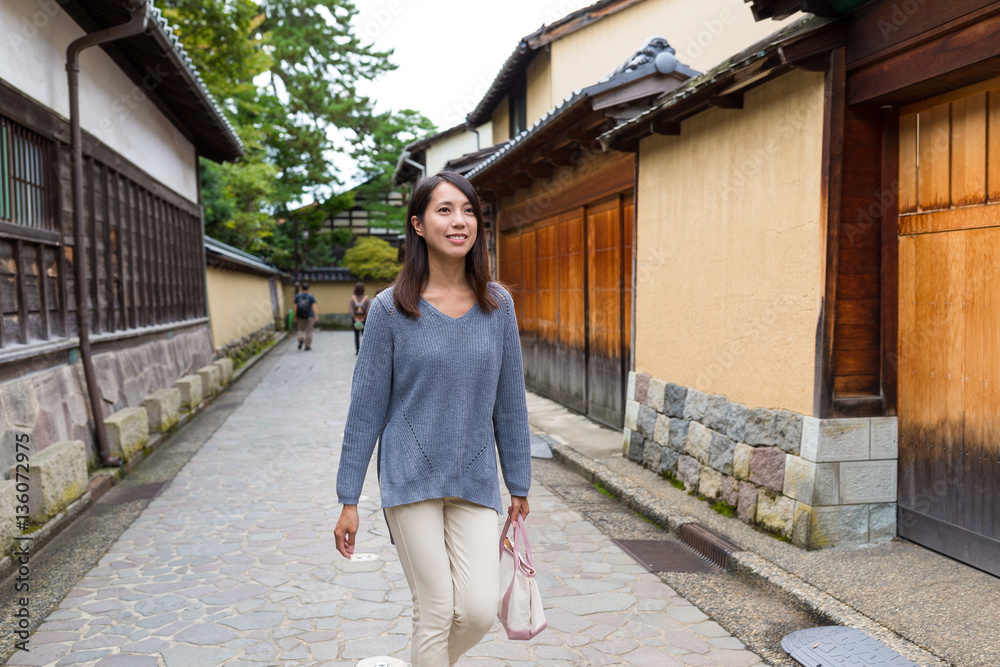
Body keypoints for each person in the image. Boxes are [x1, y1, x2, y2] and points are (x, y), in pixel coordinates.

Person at [334, 172, 531, 667]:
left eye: (468, 211)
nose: (459, 221)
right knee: (438, 608)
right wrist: (349, 498)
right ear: (419, 225)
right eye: (444, 210)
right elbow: (365, 409)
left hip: (476, 478)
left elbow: (510, 402)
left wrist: (519, 483)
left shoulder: (498, 305)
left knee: (480, 611)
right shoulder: (389, 309)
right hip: (409, 476)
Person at [293, 283, 318, 350]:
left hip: (300, 316)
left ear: (302, 288)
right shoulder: (311, 296)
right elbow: (314, 307)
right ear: (308, 288)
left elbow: (295, 307)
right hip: (309, 316)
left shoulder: (298, 296)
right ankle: (307, 346)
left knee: (300, 329)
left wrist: (295, 315)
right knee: (309, 331)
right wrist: (316, 316)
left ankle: (300, 339)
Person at [348, 281, 371, 354]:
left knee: (356, 335)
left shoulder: (352, 298)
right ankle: (364, 350)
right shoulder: (367, 298)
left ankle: (357, 350)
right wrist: (365, 317)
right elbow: (368, 308)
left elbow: (350, 308)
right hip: (364, 318)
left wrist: (354, 317)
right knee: (364, 335)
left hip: (355, 318)